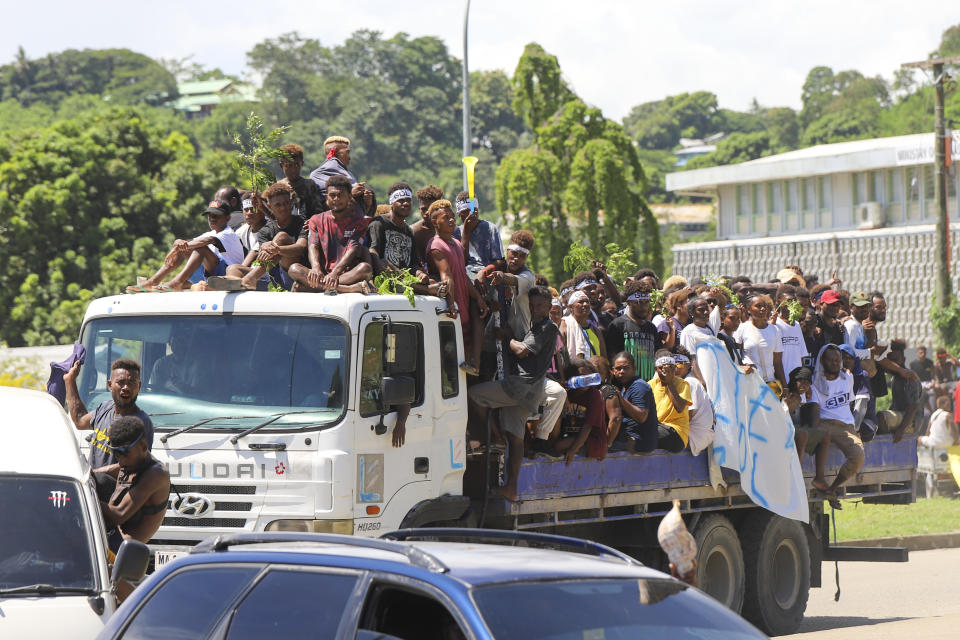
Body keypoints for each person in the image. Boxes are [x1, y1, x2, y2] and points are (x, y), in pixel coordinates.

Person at [468, 286, 559, 501]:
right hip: (530, 390)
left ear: (548, 307)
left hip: (520, 386)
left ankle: (496, 439)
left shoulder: (546, 327)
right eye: (532, 305)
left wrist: (506, 337)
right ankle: (511, 488)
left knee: (474, 394)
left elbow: (521, 350)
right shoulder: (537, 326)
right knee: (516, 439)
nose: (535, 309)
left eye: (539, 306)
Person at [426, 199, 489, 374]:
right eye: (446, 218)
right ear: (434, 222)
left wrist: (477, 298)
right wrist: (451, 304)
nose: (452, 220)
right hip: (454, 311)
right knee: (454, 366)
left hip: (466, 308)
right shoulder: (436, 245)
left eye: (452, 217)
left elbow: (462, 275)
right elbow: (446, 276)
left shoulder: (456, 245)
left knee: (467, 365)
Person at [131, 200, 244, 292]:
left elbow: (205, 241)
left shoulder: (228, 233)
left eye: (217, 215)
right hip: (211, 273)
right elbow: (188, 243)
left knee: (200, 248)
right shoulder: (212, 233)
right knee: (186, 249)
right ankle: (152, 282)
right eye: (210, 216)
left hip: (226, 277)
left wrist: (177, 247)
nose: (212, 218)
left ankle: (177, 283)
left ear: (227, 218)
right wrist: (178, 242)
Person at [94, 416, 169, 553]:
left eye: (124, 454)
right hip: (109, 535)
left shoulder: (156, 474)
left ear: (143, 447)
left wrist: (83, 496)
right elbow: (114, 468)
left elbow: (118, 514)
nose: (121, 462)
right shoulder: (132, 462)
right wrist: (87, 475)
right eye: (116, 454)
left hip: (123, 550)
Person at [63, 358, 154, 469]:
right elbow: (80, 420)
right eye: (120, 383)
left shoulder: (141, 423)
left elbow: (133, 467)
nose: (126, 387)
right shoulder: (104, 408)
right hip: (94, 485)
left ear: (139, 386)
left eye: (131, 383)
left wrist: (94, 475)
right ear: (110, 385)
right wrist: (70, 380)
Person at [289, 175, 373, 293]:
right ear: (326, 197)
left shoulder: (359, 222)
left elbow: (353, 249)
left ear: (349, 197)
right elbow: (313, 245)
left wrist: (335, 273)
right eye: (332, 195)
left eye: (340, 195)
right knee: (294, 269)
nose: (336, 199)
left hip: (346, 275)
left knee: (365, 269)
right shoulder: (316, 219)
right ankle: (347, 289)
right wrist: (315, 268)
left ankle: (313, 287)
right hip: (323, 274)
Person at [218, 182, 307, 291]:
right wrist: (268, 247)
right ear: (270, 206)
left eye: (286, 203)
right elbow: (263, 253)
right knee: (233, 268)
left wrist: (278, 249)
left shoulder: (301, 223)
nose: (283, 208)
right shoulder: (265, 231)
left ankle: (248, 280)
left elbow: (301, 248)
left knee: (281, 237)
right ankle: (234, 287)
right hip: (272, 280)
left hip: (292, 276)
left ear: (291, 202)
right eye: (278, 205)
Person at [812, 344, 865, 503]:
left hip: (846, 427)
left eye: (838, 360)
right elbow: (814, 411)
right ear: (822, 360)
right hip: (826, 423)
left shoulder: (848, 378)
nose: (835, 363)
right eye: (831, 360)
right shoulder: (815, 384)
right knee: (824, 434)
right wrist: (814, 434)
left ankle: (831, 489)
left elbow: (848, 405)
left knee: (858, 456)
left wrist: (855, 429)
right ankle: (819, 478)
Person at [546, 359, 607, 465]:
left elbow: (588, 427)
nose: (586, 380)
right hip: (571, 436)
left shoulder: (594, 395)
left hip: (591, 440)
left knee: (558, 446)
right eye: (582, 376)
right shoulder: (566, 392)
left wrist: (573, 450)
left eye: (589, 377)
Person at [782, 366, 831, 494]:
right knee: (802, 434)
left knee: (825, 436)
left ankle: (819, 478)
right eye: (801, 381)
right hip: (782, 431)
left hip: (797, 431)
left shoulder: (802, 398)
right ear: (793, 381)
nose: (804, 385)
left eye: (808, 383)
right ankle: (795, 477)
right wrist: (792, 400)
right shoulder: (786, 395)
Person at [605, 280, 659, 381]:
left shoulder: (651, 328)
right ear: (629, 302)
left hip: (650, 383)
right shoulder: (617, 325)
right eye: (639, 303)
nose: (644, 307)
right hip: (625, 385)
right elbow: (612, 357)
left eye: (646, 302)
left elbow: (657, 354)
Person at [309, 135, 376, 215]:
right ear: (336, 151)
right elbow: (320, 207)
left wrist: (366, 202)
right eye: (347, 152)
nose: (349, 157)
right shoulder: (318, 174)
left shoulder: (347, 174)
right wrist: (350, 194)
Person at [735, 292, 786, 393]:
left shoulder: (774, 330)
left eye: (765, 306)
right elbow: (736, 357)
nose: (763, 309)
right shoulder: (742, 329)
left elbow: (778, 362)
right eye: (758, 306)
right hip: (749, 383)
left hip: (770, 384)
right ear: (748, 309)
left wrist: (785, 386)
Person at [611, 352, 659, 453]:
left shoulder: (639, 386)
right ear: (613, 371)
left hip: (639, 443)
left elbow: (641, 416)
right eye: (618, 369)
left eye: (626, 368)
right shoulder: (626, 386)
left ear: (634, 368)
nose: (622, 371)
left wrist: (621, 399)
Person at [648, 351, 691, 453]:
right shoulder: (650, 385)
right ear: (656, 369)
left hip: (676, 432)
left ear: (674, 367)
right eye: (661, 368)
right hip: (657, 426)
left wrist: (669, 382)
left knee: (648, 435)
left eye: (670, 368)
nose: (665, 371)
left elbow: (680, 407)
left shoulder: (682, 384)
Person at [880, 340, 923, 443]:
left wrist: (901, 430)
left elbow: (913, 407)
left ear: (904, 359)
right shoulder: (894, 378)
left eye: (896, 360)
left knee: (881, 418)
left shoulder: (910, 378)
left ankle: (889, 446)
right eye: (891, 362)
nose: (894, 364)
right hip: (901, 415)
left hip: (912, 421)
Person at [674, 350, 714, 456]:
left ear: (688, 365)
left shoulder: (689, 382)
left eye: (679, 364)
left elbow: (688, 416)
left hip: (695, 436)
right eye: (673, 364)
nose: (676, 368)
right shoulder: (682, 382)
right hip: (697, 434)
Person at [278, 143, 325, 221]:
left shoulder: (309, 185)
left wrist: (311, 222)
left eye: (297, 165)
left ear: (302, 164)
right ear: (281, 165)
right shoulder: (277, 187)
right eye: (289, 165)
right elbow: (272, 214)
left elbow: (317, 211)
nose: (293, 170)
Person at [561, 291, 607, 360]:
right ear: (571, 307)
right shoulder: (564, 325)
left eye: (587, 302)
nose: (585, 304)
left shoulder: (596, 331)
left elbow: (604, 358)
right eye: (581, 302)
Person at [589, 355, 623, 447]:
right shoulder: (588, 390)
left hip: (605, 444)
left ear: (606, 374)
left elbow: (616, 418)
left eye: (597, 372)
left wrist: (606, 444)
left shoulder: (607, 390)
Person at [775, 285, 809, 377]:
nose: (792, 304)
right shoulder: (775, 324)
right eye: (788, 301)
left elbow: (801, 356)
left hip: (796, 382)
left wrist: (802, 378)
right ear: (779, 302)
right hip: (782, 379)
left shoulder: (797, 325)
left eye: (794, 301)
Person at [410, 184, 444, 265]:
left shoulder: (450, 229)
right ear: (419, 209)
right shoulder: (413, 231)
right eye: (423, 209)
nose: (427, 213)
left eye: (430, 209)